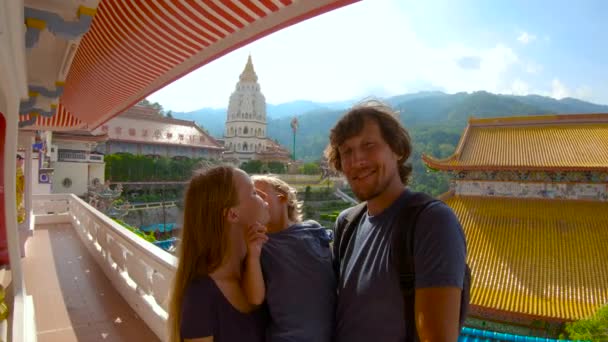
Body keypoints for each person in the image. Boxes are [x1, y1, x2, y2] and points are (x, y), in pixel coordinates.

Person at [325, 101, 468, 342]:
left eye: (369, 145)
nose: (356, 160)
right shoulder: (347, 223)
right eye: (346, 151)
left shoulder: (432, 222)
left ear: (397, 150)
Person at [168, 166, 271, 342]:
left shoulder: (262, 265)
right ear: (233, 214)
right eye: (253, 192)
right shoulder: (200, 296)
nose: (264, 196)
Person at [242, 175, 336, 342]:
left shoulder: (313, 229)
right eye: (252, 198)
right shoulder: (258, 245)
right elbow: (255, 299)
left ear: (282, 197)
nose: (256, 203)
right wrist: (253, 255)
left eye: (260, 195)